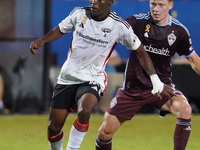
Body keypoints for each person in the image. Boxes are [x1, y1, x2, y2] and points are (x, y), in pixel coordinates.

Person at [30, 0, 174, 150]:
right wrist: (42, 41)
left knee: (84, 110)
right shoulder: (79, 13)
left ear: (110, 2)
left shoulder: (118, 26)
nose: (94, 2)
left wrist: (155, 80)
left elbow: (141, 52)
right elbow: (60, 29)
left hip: (93, 78)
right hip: (68, 77)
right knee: (53, 128)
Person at [95, 0, 200, 150]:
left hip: (161, 88)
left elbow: (194, 61)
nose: (156, 9)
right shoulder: (137, 22)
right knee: (104, 133)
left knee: (185, 109)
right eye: (153, 4)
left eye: (161, 5)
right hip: (133, 89)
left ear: (171, 5)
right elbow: (112, 33)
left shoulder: (179, 31)